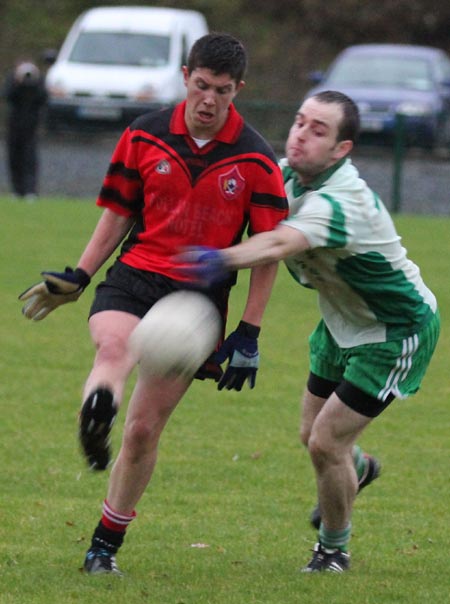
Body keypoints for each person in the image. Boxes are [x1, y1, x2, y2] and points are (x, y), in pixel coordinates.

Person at [18, 33, 288, 575]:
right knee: (113, 349)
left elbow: (267, 253)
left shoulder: (256, 160)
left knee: (143, 431)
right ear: (186, 75)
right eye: (202, 85)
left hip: (197, 299)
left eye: (223, 91)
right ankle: (98, 414)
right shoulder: (143, 135)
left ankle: (104, 546)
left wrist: (249, 331)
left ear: (240, 90)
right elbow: (118, 212)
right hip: (135, 274)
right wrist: (81, 273)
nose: (209, 100)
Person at [180, 90, 440, 572]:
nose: (300, 134)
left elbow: (280, 241)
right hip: (340, 322)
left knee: (326, 442)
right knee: (311, 435)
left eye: (318, 130)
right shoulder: (284, 174)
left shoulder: (342, 202)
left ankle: (333, 550)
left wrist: (219, 259)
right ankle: (358, 471)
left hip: (394, 331)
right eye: (300, 122)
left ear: (342, 149)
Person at [3, 59, 47, 199]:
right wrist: (17, 81)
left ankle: (30, 190)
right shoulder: (13, 79)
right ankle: (17, 189)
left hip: (31, 127)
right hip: (14, 126)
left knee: (30, 158)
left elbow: (43, 97)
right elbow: (6, 95)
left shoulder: (38, 81)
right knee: (13, 157)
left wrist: (36, 81)